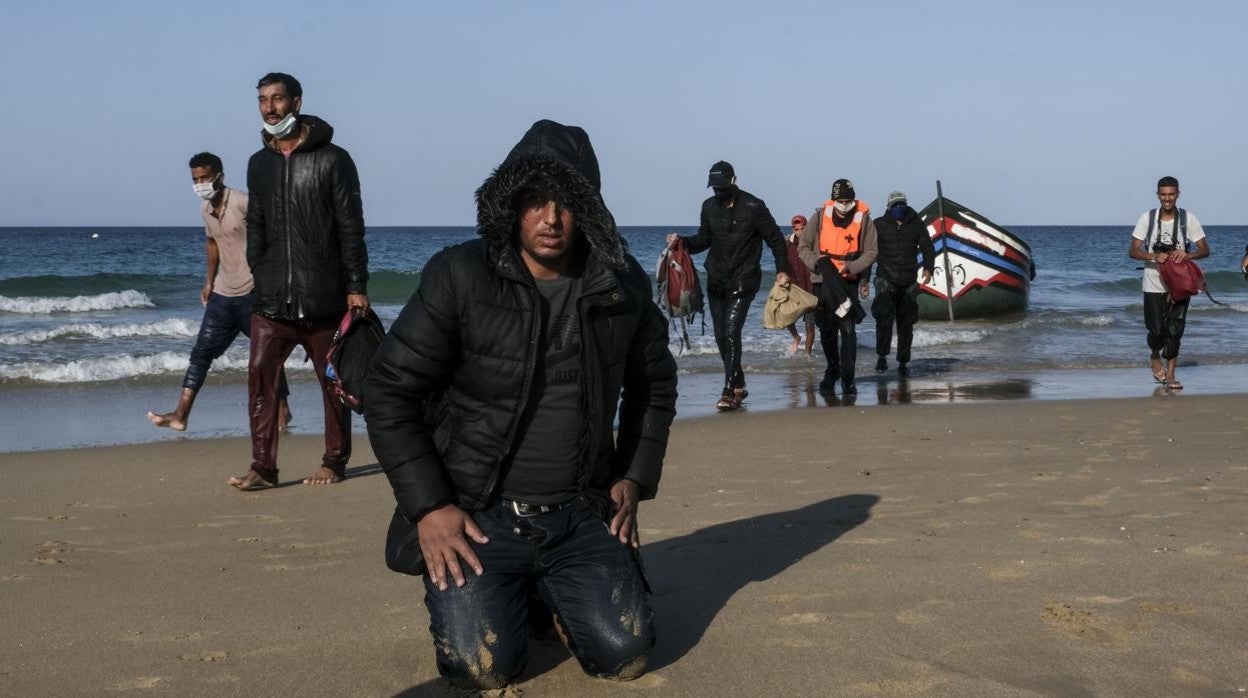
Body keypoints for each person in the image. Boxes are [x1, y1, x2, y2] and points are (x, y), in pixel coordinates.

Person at [364, 120, 677, 690]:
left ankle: (550, 589)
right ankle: (511, 594)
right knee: (483, 668)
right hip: (476, 514)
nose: (550, 219)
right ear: (509, 204)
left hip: (580, 510)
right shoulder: (460, 275)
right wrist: (429, 508)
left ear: (589, 208)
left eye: (566, 202)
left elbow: (655, 384)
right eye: (534, 201)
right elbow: (388, 391)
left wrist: (633, 477)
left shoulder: (621, 284)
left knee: (625, 655)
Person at [228, 72, 369, 491]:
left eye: (277, 98)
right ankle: (263, 468)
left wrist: (356, 286)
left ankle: (334, 461)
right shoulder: (258, 163)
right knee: (259, 377)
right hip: (272, 299)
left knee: (332, 384)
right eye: (262, 100)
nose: (269, 107)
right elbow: (256, 224)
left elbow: (351, 226)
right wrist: (261, 268)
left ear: (297, 102)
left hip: (323, 296)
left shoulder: (334, 159)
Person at [147, 154, 291, 432]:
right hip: (223, 296)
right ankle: (180, 414)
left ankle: (283, 411)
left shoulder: (242, 202)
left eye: (204, 178)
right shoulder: (204, 210)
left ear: (220, 177)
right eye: (195, 180)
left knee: (267, 356)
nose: (200, 184)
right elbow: (212, 243)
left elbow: (275, 233)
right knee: (200, 354)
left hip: (253, 294)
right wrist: (209, 282)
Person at [666, 161, 789, 411]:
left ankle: (729, 391)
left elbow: (776, 239)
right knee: (722, 336)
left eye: (722, 188)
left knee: (732, 333)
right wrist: (682, 242)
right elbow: (703, 240)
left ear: (734, 181)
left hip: (744, 280)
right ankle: (739, 383)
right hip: (716, 280)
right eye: (714, 188)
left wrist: (782, 270)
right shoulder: (709, 207)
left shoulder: (754, 206)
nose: (718, 193)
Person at [1128, 175, 1208, 390]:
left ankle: (1171, 375)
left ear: (1178, 194)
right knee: (1156, 330)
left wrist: (1187, 255)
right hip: (1153, 283)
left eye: (1171, 194)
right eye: (1163, 194)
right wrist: (1153, 256)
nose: (1167, 198)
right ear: (1157, 195)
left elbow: (1205, 249)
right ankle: (1154, 355)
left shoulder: (1187, 219)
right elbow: (1133, 251)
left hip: (1180, 285)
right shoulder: (1148, 218)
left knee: (1175, 331)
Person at [798, 179, 878, 394]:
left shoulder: (864, 219)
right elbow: (803, 246)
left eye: (849, 201)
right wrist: (814, 263)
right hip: (822, 281)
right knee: (827, 329)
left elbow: (871, 252)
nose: (845, 205)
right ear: (833, 201)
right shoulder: (820, 216)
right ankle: (833, 368)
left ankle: (848, 379)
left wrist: (852, 268)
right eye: (840, 201)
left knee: (848, 329)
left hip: (847, 282)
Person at [870, 191, 936, 376]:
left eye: (902, 204)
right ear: (888, 207)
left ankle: (903, 361)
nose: (899, 208)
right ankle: (882, 356)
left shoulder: (916, 223)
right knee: (884, 319)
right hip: (885, 278)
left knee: (906, 322)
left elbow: (927, 247)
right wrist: (863, 280)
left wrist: (928, 268)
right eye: (895, 205)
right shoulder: (878, 224)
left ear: (906, 205)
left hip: (908, 279)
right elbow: (870, 253)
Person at [785, 214, 816, 356]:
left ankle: (807, 354)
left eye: (803, 229)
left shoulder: (815, 243)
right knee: (786, 318)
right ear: (793, 229)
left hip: (811, 289)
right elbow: (782, 263)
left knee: (810, 323)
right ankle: (796, 337)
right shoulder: (787, 244)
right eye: (797, 229)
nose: (800, 232)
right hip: (795, 289)